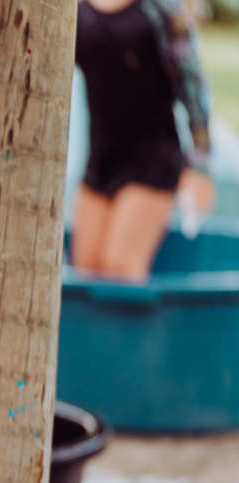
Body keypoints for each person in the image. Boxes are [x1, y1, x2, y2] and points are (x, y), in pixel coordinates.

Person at [72, 0, 215, 281]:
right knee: (85, 269)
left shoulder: (162, 11)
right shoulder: (77, 9)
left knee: (120, 267)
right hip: (102, 157)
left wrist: (200, 165)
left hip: (152, 159)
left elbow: (193, 86)